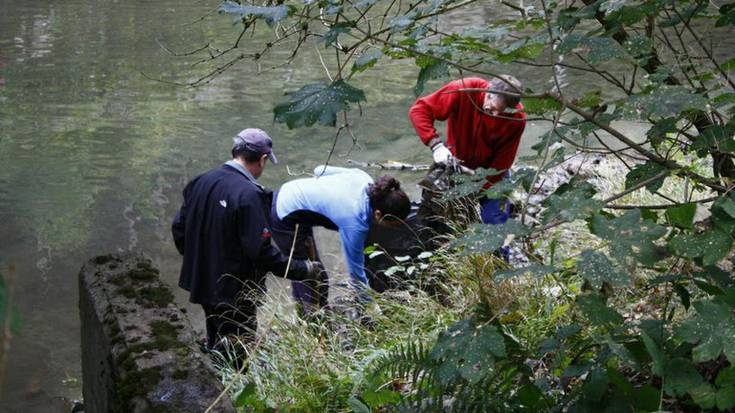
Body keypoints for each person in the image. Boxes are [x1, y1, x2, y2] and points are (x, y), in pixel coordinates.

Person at [171, 128, 322, 351]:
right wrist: (302, 269)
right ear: (262, 159)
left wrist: (201, 262)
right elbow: (261, 252)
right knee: (238, 346)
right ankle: (232, 381)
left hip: (202, 281)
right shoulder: (249, 194)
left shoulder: (200, 181)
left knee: (216, 333)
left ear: (235, 152)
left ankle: (215, 369)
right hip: (235, 290)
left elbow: (179, 230)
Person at [270, 166, 411, 312]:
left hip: (291, 191)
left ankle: (318, 315)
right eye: (391, 224)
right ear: (378, 213)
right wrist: (372, 307)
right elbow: (356, 274)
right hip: (284, 214)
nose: (391, 228)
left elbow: (319, 170)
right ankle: (312, 324)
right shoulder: (355, 222)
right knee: (311, 278)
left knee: (317, 276)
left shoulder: (363, 178)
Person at [409, 75, 527, 225]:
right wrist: (436, 145)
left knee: (492, 221)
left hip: (490, 174)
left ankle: (503, 239)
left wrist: (475, 188)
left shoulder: (516, 118)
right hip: (454, 164)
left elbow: (500, 166)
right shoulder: (465, 89)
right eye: (494, 109)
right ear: (488, 93)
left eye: (502, 112)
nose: (496, 115)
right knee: (433, 216)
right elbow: (419, 110)